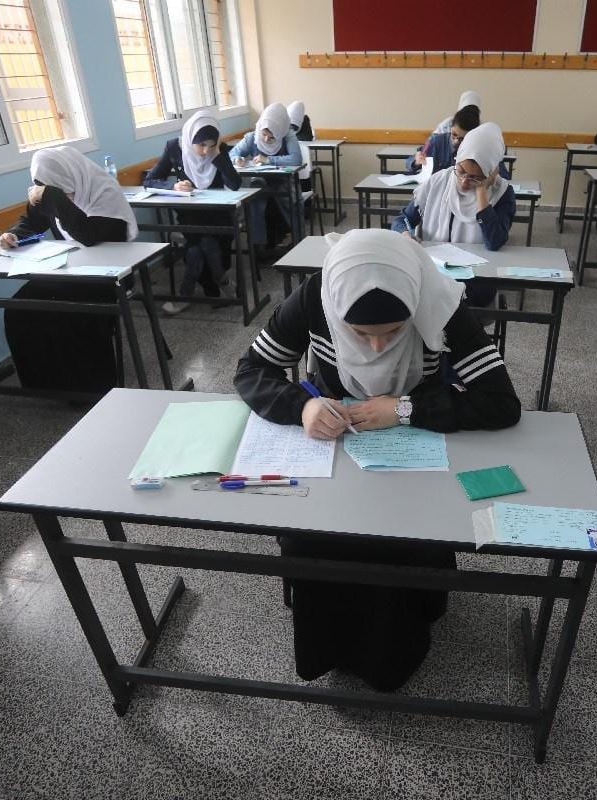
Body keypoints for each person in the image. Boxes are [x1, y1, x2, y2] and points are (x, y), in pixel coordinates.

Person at [233, 228, 520, 691]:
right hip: (337, 444)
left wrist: (405, 409)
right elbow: (252, 369)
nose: (376, 348)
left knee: (401, 539)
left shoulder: (438, 302)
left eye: (394, 332)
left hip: (416, 454)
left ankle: (391, 658)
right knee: (315, 539)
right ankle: (325, 650)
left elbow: (501, 403)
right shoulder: (316, 296)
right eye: (359, 334)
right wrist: (302, 406)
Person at [1, 146, 138, 394]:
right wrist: (13, 235)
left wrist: (55, 197)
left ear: (73, 177)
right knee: (20, 307)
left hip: (108, 277)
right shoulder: (48, 193)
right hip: (68, 272)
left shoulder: (104, 193)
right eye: (59, 194)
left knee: (70, 313)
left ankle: (91, 389)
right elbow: (31, 222)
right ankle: (47, 386)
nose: (67, 198)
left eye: (66, 192)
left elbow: (88, 236)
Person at [392, 122, 516, 307]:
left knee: (453, 304)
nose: (464, 182)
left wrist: (481, 192)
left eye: (475, 177)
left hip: (476, 281)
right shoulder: (437, 182)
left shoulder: (503, 193)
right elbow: (401, 220)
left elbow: (494, 241)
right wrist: (405, 235)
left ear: (490, 172)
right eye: (461, 171)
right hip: (434, 273)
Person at [144, 109, 241, 313]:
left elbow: (235, 184)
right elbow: (150, 180)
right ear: (190, 139)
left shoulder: (219, 150)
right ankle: (221, 285)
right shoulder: (174, 147)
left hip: (219, 216)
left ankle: (187, 295)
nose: (206, 151)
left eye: (211, 145)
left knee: (201, 247)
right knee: (202, 246)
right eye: (201, 145)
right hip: (190, 215)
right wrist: (174, 186)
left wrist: (218, 156)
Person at [230, 103, 303, 248]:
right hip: (260, 183)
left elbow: (296, 159)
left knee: (282, 198)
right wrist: (237, 159)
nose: (265, 140)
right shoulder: (252, 137)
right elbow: (232, 153)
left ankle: (291, 237)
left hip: (283, 182)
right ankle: (258, 246)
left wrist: (269, 159)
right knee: (255, 198)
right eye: (263, 134)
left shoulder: (288, 135)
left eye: (271, 138)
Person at [406, 105, 479, 175]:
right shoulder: (437, 141)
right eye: (454, 134)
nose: (456, 141)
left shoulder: (476, 149)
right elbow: (409, 163)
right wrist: (416, 162)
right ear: (451, 127)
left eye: (462, 139)